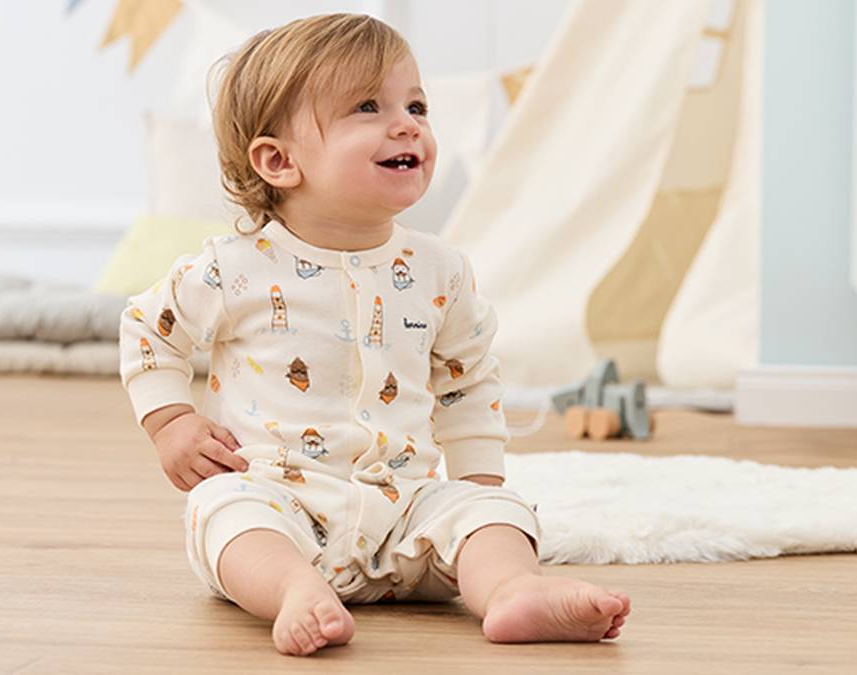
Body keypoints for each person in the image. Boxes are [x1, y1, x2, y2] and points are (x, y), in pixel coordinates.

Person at [119, 13, 631, 657]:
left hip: (406, 509)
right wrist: (170, 423)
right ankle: (295, 591)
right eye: (368, 107)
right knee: (222, 511)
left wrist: (476, 485)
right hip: (279, 498)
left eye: (416, 105)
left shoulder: (440, 271)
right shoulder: (232, 268)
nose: (408, 124)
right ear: (279, 161)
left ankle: (510, 591)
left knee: (497, 515)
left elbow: (468, 380)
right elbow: (149, 329)